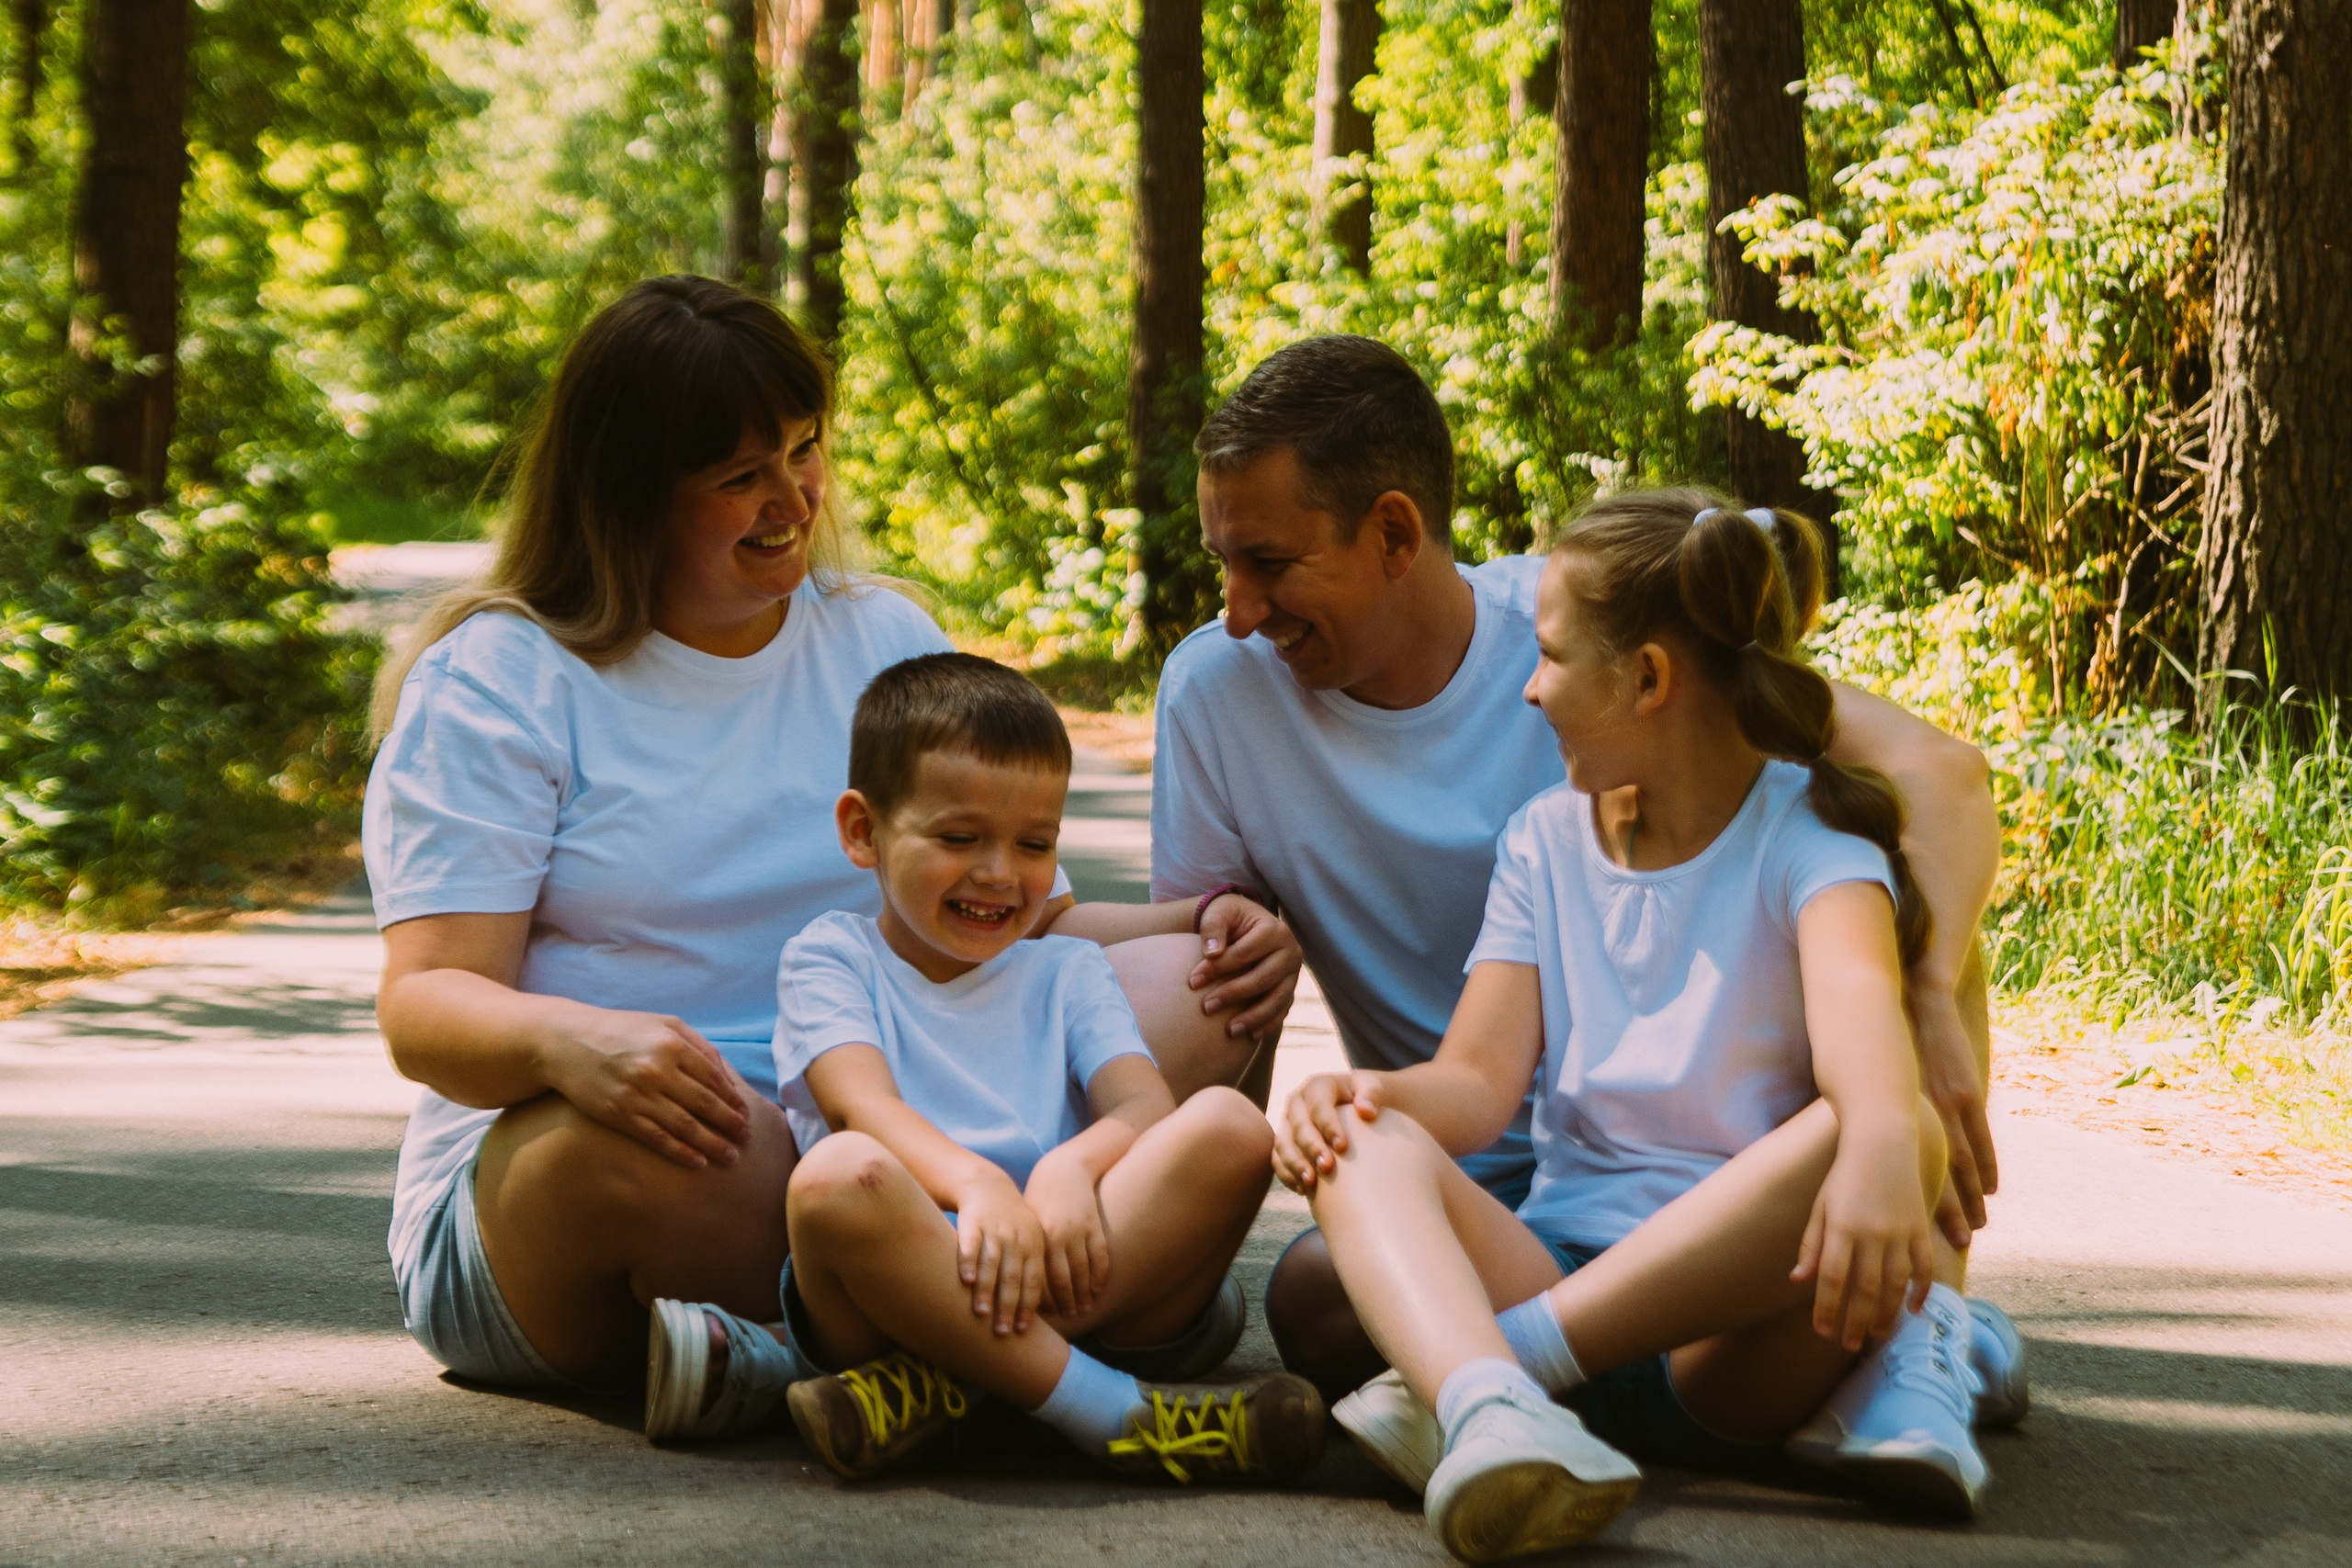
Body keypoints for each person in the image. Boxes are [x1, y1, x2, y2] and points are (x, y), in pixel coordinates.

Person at [365, 276, 1301, 1428]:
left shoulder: (878, 636)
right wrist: (572, 1045)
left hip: (903, 1134)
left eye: (803, 452)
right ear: (628, 493)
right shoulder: (503, 677)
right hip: (688, 1149)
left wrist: (1205, 928)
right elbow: (425, 1008)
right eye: (738, 477)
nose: (791, 499)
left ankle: (863, 1366)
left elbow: (1019, 919)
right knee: (619, 1148)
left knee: (1211, 994)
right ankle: (1109, 1313)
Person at [1148, 334, 2011, 1404]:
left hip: (1708, 1165)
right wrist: (1252, 955)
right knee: (1313, 1308)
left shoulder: (1585, 620)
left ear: (1393, 533)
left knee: (1903, 896)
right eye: (1221, 561)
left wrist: (1920, 1006)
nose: (1235, 608)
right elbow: (1201, 966)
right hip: (1482, 1159)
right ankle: (1538, 1368)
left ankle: (1920, 1322)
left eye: (1267, 563)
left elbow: (1941, 775)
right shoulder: (1217, 692)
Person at [1272, 492, 1996, 1563]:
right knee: (1357, 1144)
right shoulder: (1543, 839)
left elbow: (1868, 1070)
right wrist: (1359, 1101)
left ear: (1649, 679)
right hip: (1554, 1262)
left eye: (1552, 658)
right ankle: (1495, 1410)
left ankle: (1484, 1374)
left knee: (1880, 1127)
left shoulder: (1815, 842)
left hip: (1730, 1335)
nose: (1527, 687)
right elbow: (1472, 1083)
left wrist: (1899, 1146)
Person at [712, 651, 1325, 1483]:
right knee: (833, 1176)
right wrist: (980, 1187)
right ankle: (1113, 1413)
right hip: (896, 1286)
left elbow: (1143, 1106)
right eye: (959, 837)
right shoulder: (831, 958)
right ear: (864, 830)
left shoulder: (1065, 970)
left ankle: (946, 1388)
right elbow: (865, 1111)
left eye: (1034, 842)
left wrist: (1070, 1169)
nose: (1000, 873)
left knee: (1230, 1126)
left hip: (1073, 1264)